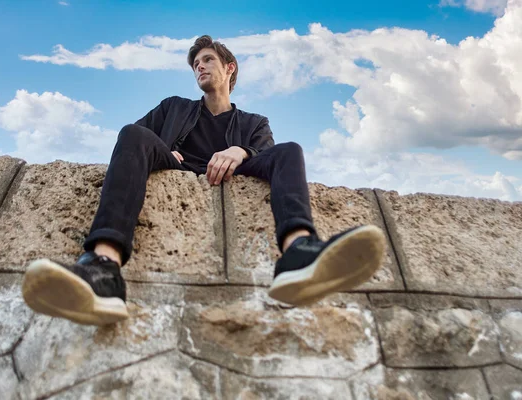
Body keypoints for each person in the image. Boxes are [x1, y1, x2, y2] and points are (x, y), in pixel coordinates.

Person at [21, 35, 386, 326]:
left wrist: (241, 151)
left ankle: (299, 252)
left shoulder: (254, 123)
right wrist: (165, 151)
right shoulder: (173, 108)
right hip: (177, 168)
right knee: (132, 132)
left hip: (233, 171)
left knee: (291, 150)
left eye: (207, 60)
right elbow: (132, 145)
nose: (199, 67)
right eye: (196, 64)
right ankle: (103, 268)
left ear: (230, 68)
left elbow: (270, 156)